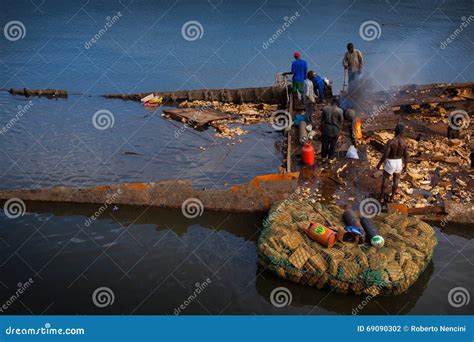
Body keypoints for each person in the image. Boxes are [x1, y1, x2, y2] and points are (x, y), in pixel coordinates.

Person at [377, 123, 408, 203]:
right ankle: (392, 198)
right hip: (399, 162)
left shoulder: (391, 142)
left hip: (391, 162)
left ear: (395, 131)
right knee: (396, 180)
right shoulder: (404, 143)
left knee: (385, 179)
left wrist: (379, 163)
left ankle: (381, 198)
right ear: (402, 132)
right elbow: (406, 155)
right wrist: (406, 165)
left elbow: (385, 155)